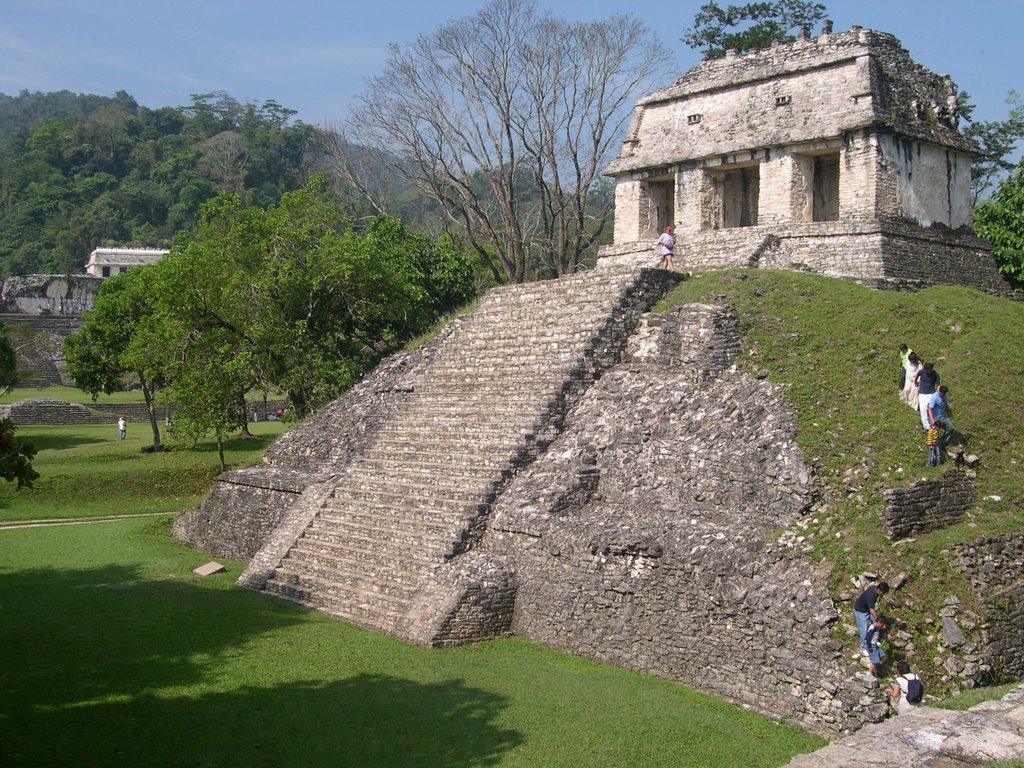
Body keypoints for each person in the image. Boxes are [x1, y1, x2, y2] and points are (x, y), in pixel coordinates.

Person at [853, 581, 889, 654]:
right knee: (864, 630)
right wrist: (879, 620)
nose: (883, 595)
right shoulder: (871, 595)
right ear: (879, 590)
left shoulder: (874, 589)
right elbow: (872, 610)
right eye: (882, 593)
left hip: (867, 610)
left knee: (877, 625)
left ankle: (873, 640)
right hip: (860, 612)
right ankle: (862, 648)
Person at [927, 385, 953, 463]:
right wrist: (932, 421)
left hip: (942, 417)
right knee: (935, 436)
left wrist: (949, 411)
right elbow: (930, 409)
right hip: (935, 418)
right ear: (939, 392)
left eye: (944, 394)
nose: (942, 395)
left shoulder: (945, 396)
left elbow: (945, 404)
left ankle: (942, 442)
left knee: (950, 428)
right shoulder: (934, 397)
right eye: (941, 394)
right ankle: (934, 454)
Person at [914, 362, 940, 430]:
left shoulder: (935, 374)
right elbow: (917, 375)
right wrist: (915, 382)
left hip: (931, 393)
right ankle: (926, 426)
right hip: (922, 394)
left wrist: (938, 393)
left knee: (932, 409)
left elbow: (938, 384)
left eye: (930, 370)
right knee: (923, 410)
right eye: (927, 370)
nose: (929, 371)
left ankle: (934, 423)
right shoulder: (922, 371)